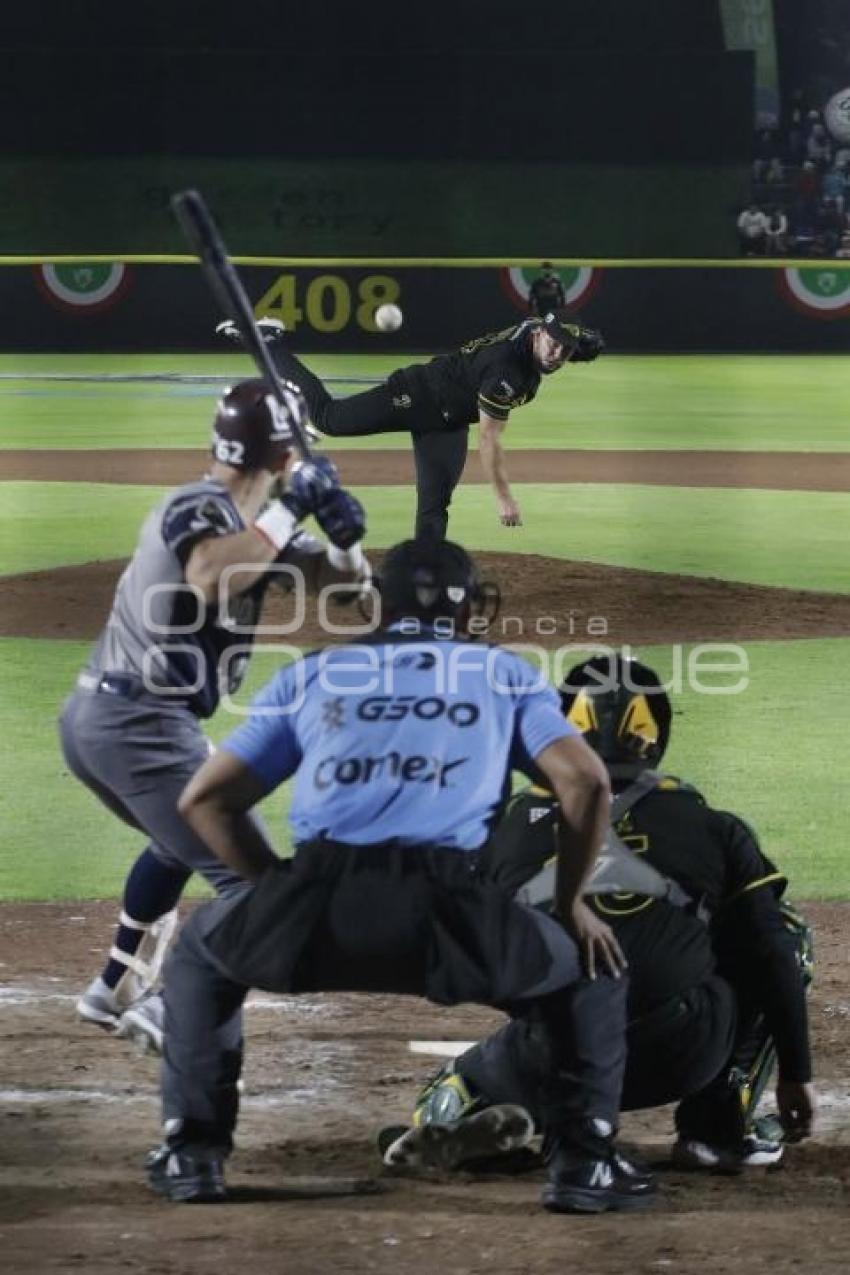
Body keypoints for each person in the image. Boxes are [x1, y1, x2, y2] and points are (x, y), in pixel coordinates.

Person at [147, 540, 656, 1215]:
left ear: (374, 604)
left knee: (199, 952)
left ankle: (194, 1151)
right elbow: (587, 781)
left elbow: (204, 801)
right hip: (453, 916)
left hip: (316, 906)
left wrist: (270, 889)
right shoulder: (500, 673)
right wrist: (570, 905)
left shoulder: (315, 672)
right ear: (471, 607)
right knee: (592, 966)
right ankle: (584, 1162)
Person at [385, 654, 815, 1175]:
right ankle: (717, 1129)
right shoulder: (710, 824)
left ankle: (477, 1117)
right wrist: (796, 1071)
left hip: (558, 1051)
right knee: (778, 932)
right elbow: (771, 950)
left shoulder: (505, 826)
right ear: (654, 737)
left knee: (444, 1095)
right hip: (681, 1047)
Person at [60, 378, 369, 1052]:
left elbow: (351, 595)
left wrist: (344, 534)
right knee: (260, 887)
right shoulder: (196, 508)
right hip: (138, 726)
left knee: (178, 841)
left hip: (117, 722)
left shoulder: (257, 527)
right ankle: (174, 1006)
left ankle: (115, 983)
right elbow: (208, 575)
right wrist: (293, 507)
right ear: (286, 456)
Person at [218, 313, 604, 541]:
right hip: (417, 394)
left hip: (448, 422)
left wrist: (582, 343)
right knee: (327, 419)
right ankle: (266, 341)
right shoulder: (507, 372)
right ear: (538, 335)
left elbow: (564, 337)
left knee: (434, 505)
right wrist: (503, 497)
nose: (557, 353)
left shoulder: (534, 331)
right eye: (552, 343)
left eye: (565, 348)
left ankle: (427, 578)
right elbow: (489, 439)